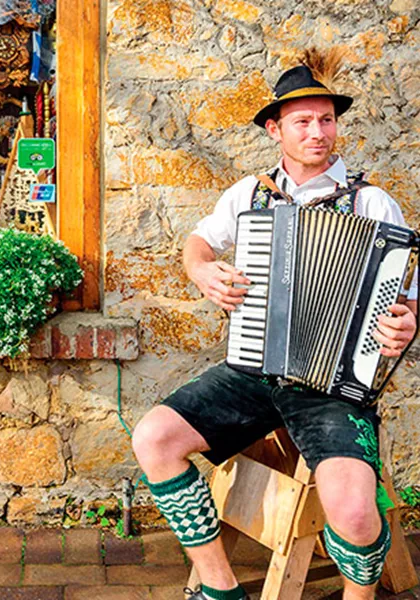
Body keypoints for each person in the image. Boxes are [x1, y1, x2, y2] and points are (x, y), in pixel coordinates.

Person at [131, 48, 418, 600]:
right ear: (274, 128)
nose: (318, 132)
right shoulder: (249, 193)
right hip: (253, 369)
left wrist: (406, 325)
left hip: (334, 386)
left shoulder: (372, 202)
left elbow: (408, 298)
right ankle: (220, 588)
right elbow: (199, 243)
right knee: (155, 438)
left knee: (356, 513)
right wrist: (202, 271)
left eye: (327, 120)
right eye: (303, 122)